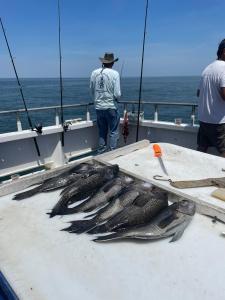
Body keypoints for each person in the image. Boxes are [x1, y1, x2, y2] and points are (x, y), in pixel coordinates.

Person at [197, 39, 225, 157]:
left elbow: (198, 93)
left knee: (201, 152)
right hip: (219, 123)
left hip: (204, 121)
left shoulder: (207, 69)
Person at [90, 52, 121, 153]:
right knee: (113, 132)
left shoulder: (94, 73)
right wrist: (117, 98)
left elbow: (91, 90)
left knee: (102, 132)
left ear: (103, 62)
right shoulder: (115, 73)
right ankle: (112, 154)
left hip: (98, 108)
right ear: (112, 63)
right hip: (111, 107)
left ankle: (101, 153)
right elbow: (117, 94)